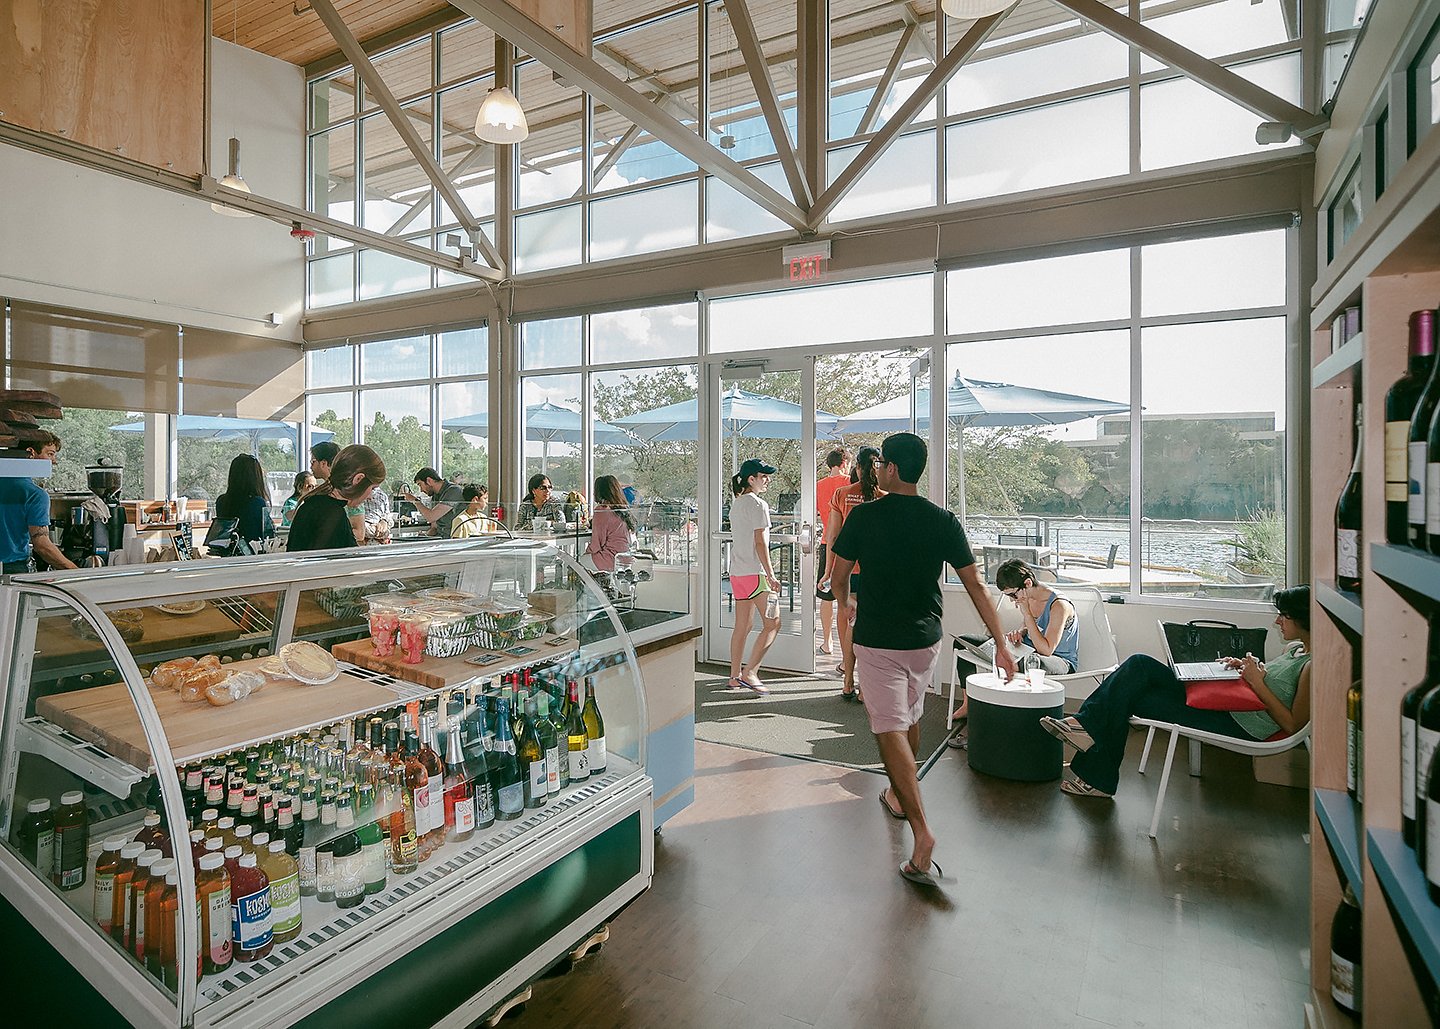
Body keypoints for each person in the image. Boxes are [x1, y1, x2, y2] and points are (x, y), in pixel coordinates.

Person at [829, 432, 1015, 888]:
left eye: (879, 465)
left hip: (878, 641)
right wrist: (1002, 644)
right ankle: (897, 793)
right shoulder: (943, 520)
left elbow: (836, 576)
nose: (876, 472)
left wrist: (845, 602)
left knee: (888, 728)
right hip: (925, 641)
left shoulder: (866, 516)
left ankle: (922, 831)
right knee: (909, 715)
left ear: (890, 468)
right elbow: (977, 586)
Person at [1043, 585, 1312, 799]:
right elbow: (1271, 681)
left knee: (1126, 696)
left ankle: (1089, 744)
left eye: (1285, 615)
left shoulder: (1312, 667)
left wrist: (1257, 683)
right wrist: (1244, 667)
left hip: (1238, 724)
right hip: (1230, 705)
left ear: (1304, 619)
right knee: (1139, 665)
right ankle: (1088, 748)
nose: (1278, 621)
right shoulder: (1296, 650)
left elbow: (1291, 724)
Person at [949, 558, 1078, 736]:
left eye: (1012, 595)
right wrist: (1020, 633)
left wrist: (1026, 612)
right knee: (963, 642)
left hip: (1059, 660)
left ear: (1027, 583)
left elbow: (1047, 649)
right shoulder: (1028, 598)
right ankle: (968, 703)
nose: (1012, 600)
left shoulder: (1059, 605)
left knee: (1023, 661)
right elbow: (1032, 629)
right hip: (1028, 651)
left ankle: (1005, 717)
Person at [827, 447, 885, 701]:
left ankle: (848, 680)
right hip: (876, 569)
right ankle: (865, 685)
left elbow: (833, 536)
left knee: (852, 622)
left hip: (848, 570)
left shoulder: (842, 494)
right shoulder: (885, 497)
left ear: (857, 468)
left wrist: (829, 570)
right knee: (871, 627)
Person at [727, 459, 782, 695]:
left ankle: (734, 676)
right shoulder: (759, 505)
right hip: (755, 574)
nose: (767, 480)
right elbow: (760, 543)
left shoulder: (737, 504)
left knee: (743, 625)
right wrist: (771, 574)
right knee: (773, 623)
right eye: (764, 476)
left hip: (738, 573)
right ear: (751, 479)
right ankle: (750, 672)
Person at [287, 445, 386, 553]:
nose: (370, 497)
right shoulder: (333, 513)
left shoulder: (317, 503)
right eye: (372, 488)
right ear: (358, 479)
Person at [1, 430, 76, 573]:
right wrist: (74, 570)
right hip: (11, 570)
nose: (54, 461)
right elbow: (42, 546)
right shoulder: (34, 495)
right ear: (31, 453)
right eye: (50, 454)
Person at [814, 447, 852, 659]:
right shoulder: (849, 483)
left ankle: (827, 641)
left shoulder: (818, 485)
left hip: (826, 541)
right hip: (847, 544)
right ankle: (845, 643)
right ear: (844, 462)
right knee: (846, 596)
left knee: (825, 595)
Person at [212, 455, 276, 552]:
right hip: (252, 553)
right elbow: (267, 533)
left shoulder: (222, 501)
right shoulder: (257, 503)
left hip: (228, 554)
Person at [587, 475, 634, 573]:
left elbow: (596, 544)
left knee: (576, 563)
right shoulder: (622, 510)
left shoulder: (602, 510)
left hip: (610, 559)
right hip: (625, 559)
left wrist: (584, 554)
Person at [401, 468, 464, 538]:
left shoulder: (454, 491)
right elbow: (434, 527)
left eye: (420, 484)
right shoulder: (435, 496)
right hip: (440, 539)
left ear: (429, 481)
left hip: (454, 540)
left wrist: (415, 501)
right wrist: (425, 536)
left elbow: (430, 517)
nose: (421, 490)